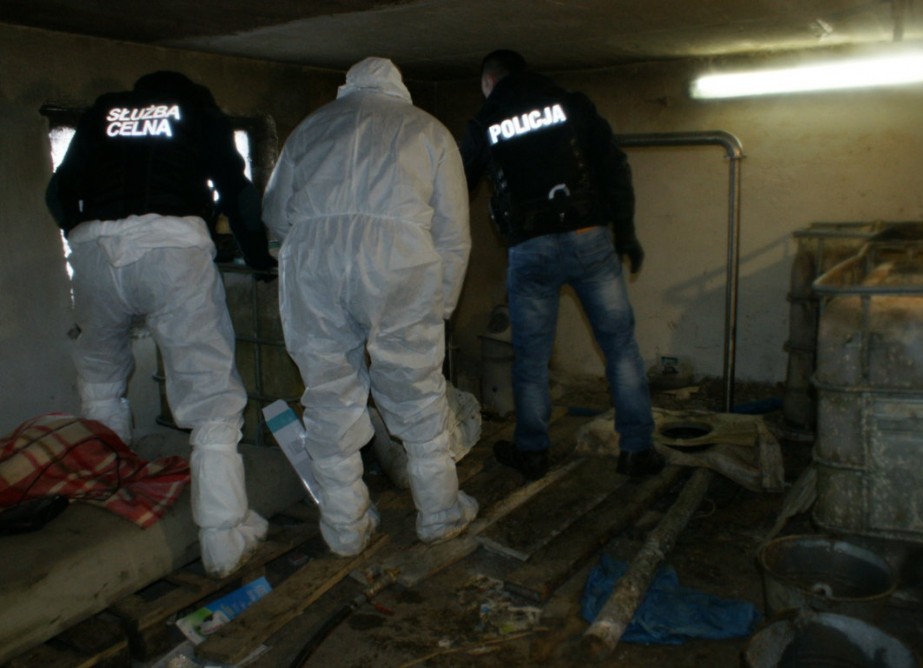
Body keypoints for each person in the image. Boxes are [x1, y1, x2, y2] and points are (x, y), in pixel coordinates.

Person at [46, 70, 277, 578]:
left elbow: (57, 192)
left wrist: (84, 232)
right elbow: (237, 193)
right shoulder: (200, 114)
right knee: (209, 390)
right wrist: (260, 258)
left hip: (95, 252)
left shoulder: (104, 110)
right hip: (172, 248)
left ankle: (104, 499)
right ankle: (223, 538)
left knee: (100, 374)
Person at [262, 57, 478, 556]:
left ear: (349, 86)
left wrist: (293, 257)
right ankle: (439, 512)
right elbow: (453, 233)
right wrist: (441, 306)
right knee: (415, 385)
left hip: (314, 255)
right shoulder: (428, 130)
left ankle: (346, 527)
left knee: (328, 388)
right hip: (398, 258)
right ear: (398, 87)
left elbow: (274, 213)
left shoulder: (311, 128)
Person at [460, 49, 665, 480]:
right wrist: (625, 231)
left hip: (530, 248)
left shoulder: (485, 122)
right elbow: (613, 166)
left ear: (489, 82)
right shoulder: (571, 104)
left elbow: (456, 182)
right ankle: (637, 450)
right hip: (588, 238)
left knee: (531, 361)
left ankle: (533, 452)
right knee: (620, 349)